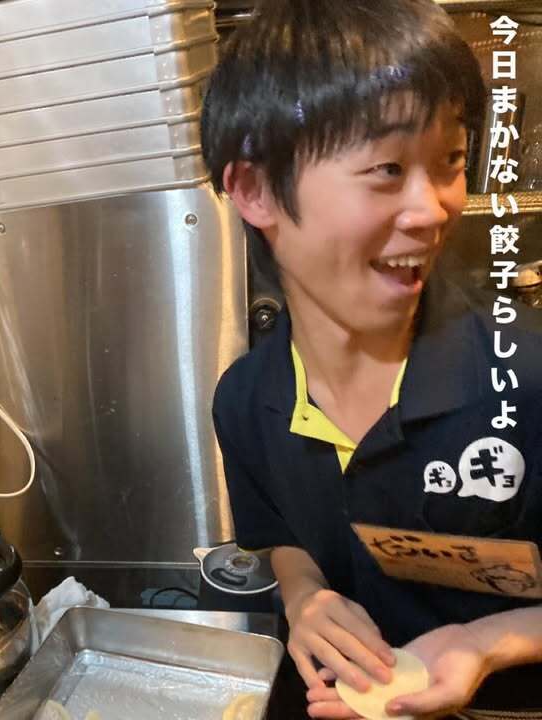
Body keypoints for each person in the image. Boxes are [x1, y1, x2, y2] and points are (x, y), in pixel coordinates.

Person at [201, 1, 542, 717]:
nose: (434, 209)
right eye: (388, 168)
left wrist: (489, 642)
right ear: (255, 191)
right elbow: (282, 536)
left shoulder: (526, 380)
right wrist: (305, 596)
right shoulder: (246, 400)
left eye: (451, 162)